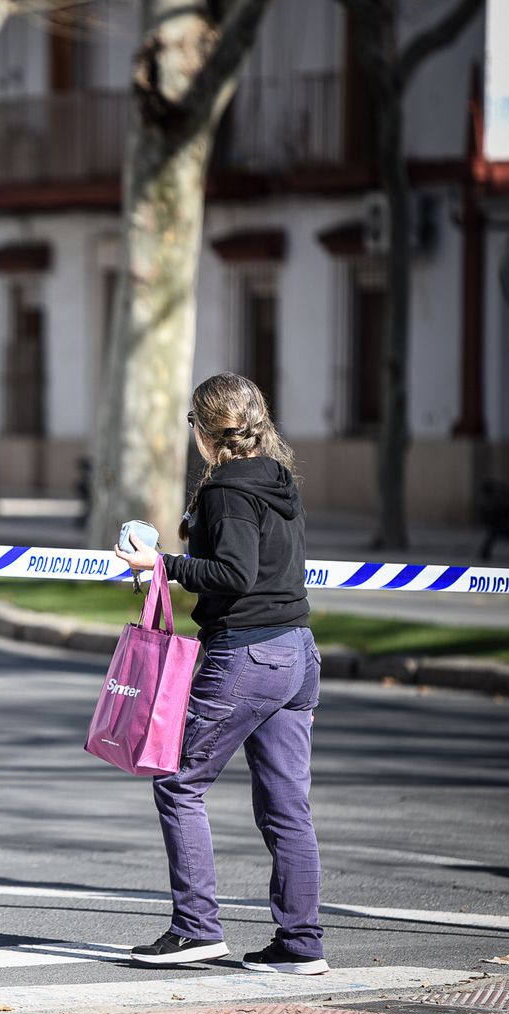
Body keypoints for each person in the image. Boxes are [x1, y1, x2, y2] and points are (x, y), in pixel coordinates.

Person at [113, 372, 326, 975]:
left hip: (247, 654)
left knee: (178, 783)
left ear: (205, 435)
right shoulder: (278, 482)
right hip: (297, 653)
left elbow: (233, 573)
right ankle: (301, 943)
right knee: (287, 806)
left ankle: (196, 928)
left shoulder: (228, 491)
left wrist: (165, 563)